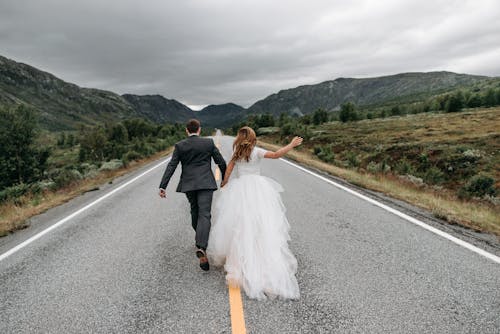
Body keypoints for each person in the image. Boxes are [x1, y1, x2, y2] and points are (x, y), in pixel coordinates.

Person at [207, 126, 302, 299]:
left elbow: (229, 168)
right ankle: (259, 256)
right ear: (252, 137)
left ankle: (239, 260)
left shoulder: (237, 151)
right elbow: (276, 155)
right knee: (260, 223)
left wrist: (225, 182)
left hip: (241, 189)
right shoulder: (256, 151)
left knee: (240, 224)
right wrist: (291, 145)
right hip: (258, 189)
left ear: (240, 138)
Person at [159, 119, 227, 271]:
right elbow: (220, 162)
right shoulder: (208, 143)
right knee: (205, 214)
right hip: (206, 183)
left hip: (189, 184)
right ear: (199, 130)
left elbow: (172, 165)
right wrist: (224, 178)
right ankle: (201, 245)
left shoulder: (180, 145)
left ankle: (200, 241)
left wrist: (163, 186)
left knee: (195, 212)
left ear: (186, 130)